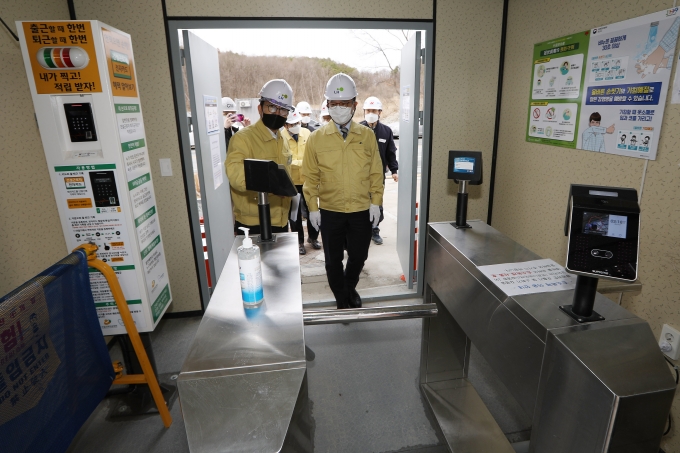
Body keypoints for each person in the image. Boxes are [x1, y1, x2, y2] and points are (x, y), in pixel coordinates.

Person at [303, 73, 384, 309]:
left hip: (360, 209)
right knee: (332, 261)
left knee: (359, 256)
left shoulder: (366, 135)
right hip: (330, 210)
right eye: (334, 103)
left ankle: (349, 288)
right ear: (327, 105)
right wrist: (313, 208)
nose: (339, 108)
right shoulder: (317, 138)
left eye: (344, 103)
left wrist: (375, 202)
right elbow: (310, 178)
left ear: (354, 105)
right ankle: (342, 298)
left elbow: (376, 173)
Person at [225, 79, 294, 236]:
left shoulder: (282, 139)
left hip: (281, 220)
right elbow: (236, 177)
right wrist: (274, 185)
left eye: (283, 110)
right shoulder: (243, 139)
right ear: (260, 108)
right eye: (272, 107)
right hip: (253, 223)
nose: (278, 113)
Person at [359, 96, 398, 245]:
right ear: (364, 112)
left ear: (380, 112)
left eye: (374, 110)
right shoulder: (358, 129)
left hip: (378, 175)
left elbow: (391, 153)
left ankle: (375, 230)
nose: (371, 113)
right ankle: (363, 230)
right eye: (368, 110)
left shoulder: (386, 131)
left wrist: (394, 170)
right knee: (362, 203)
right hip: (361, 175)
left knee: (377, 203)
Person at [281, 110, 320, 254]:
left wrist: (300, 163)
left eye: (297, 123)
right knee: (295, 214)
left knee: (312, 210)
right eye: (292, 124)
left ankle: (313, 238)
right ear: (285, 125)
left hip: (307, 180)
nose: (296, 126)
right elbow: (286, 161)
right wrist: (302, 162)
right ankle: (299, 242)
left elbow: (313, 155)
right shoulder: (281, 137)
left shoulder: (307, 133)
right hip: (291, 182)